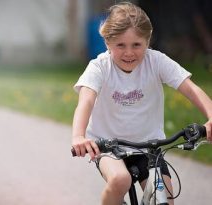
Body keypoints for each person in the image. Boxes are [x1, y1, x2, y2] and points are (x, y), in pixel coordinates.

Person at [71, 2, 212, 205]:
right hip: (109, 148)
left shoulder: (156, 61)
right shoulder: (99, 67)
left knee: (164, 200)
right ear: (108, 43)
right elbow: (86, 100)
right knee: (120, 180)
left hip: (150, 149)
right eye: (121, 45)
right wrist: (78, 136)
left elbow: (191, 89)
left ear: (147, 41)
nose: (129, 53)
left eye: (136, 45)